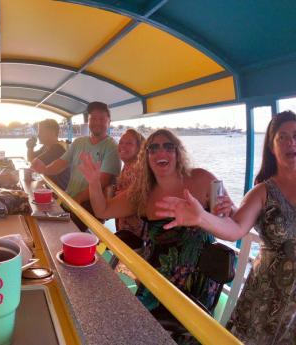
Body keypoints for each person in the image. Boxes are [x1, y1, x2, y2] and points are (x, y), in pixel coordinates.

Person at [155, 111, 296, 344]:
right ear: (272, 146)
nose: (291, 142)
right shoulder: (263, 192)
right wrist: (201, 218)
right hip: (266, 299)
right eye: (282, 137)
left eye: (295, 135)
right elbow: (235, 229)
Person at [78, 129, 234, 319]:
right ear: (146, 157)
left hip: (198, 280)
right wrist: (94, 183)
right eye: (153, 148)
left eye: (169, 146)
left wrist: (227, 210)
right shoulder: (142, 192)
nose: (161, 152)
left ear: (178, 153)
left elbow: (229, 218)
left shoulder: (204, 179)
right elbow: (103, 210)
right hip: (157, 278)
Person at [32, 101, 121, 231]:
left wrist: (78, 199)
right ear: (88, 121)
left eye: (101, 119)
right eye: (93, 118)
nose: (97, 122)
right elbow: (61, 163)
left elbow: (103, 181)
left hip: (90, 205)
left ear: (109, 121)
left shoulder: (112, 147)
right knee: (50, 228)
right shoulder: (79, 142)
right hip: (70, 199)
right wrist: (45, 169)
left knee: (65, 234)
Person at [113, 129, 147, 247]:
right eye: (121, 142)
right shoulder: (129, 166)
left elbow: (135, 201)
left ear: (139, 148)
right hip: (128, 229)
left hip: (133, 232)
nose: (122, 146)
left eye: (129, 143)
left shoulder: (134, 169)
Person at [27, 119, 70, 190]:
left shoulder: (58, 148)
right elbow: (31, 159)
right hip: (50, 187)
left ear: (52, 133)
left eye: (41, 131)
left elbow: (34, 165)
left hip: (60, 192)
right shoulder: (46, 147)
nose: (38, 135)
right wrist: (30, 147)